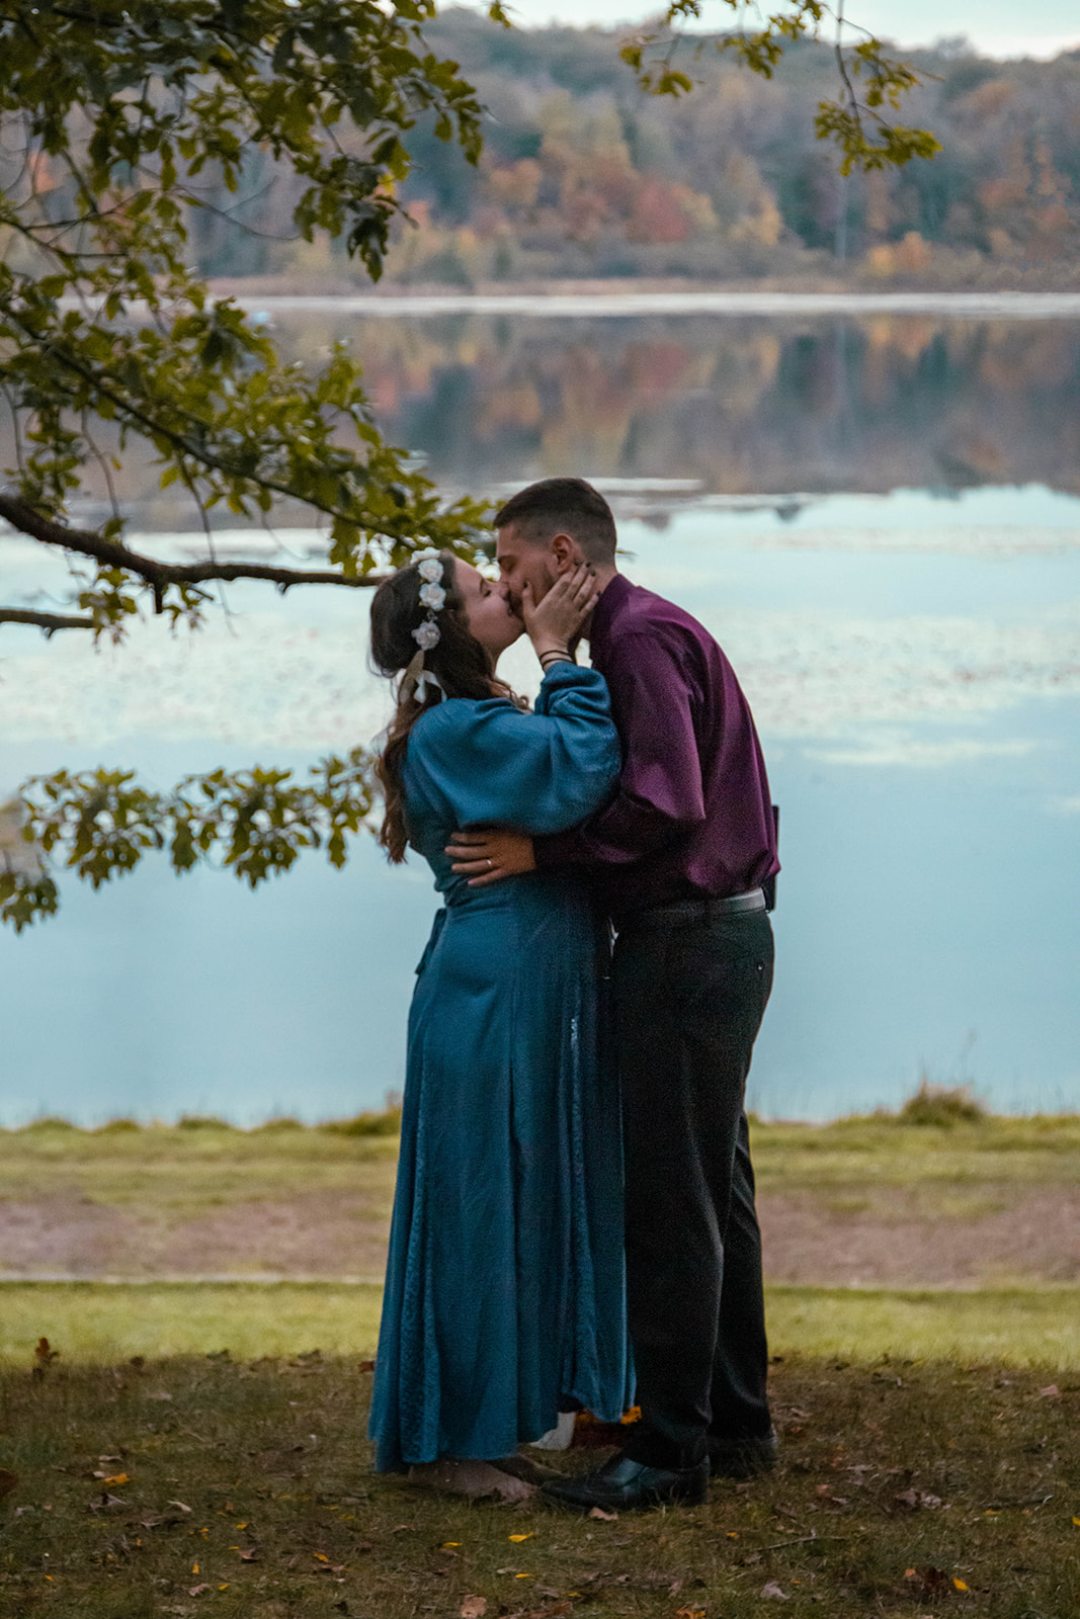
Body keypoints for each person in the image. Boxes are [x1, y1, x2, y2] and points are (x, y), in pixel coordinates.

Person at [446, 478, 780, 1512]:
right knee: (715, 1186)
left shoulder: (633, 641)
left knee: (672, 1201)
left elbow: (666, 801)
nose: (505, 583)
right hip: (723, 930)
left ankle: (671, 1450)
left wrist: (542, 851)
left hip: (688, 940)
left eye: (509, 565)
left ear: (560, 552)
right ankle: (735, 1423)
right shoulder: (646, 629)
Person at [367, 548, 632, 1501]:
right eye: (486, 592)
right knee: (483, 1206)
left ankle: (505, 1415)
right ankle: (451, 1445)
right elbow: (582, 771)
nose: (505, 591)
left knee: (526, 1197)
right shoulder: (453, 729)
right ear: (443, 632)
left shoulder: (482, 717)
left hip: (527, 984)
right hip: (491, 993)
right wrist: (561, 654)